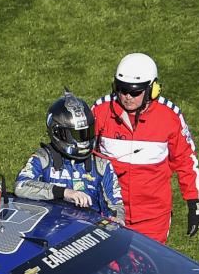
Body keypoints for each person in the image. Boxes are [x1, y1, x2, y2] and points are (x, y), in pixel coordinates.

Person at [91, 53, 199, 243]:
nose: (127, 97)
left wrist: (195, 203)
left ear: (152, 89)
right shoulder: (100, 111)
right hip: (109, 212)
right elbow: (82, 155)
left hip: (153, 218)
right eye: (122, 89)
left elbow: (185, 160)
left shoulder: (170, 117)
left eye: (135, 92)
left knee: (148, 271)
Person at [15, 90, 125, 223]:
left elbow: (115, 206)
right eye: (76, 135)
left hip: (87, 235)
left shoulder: (101, 165)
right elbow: (21, 186)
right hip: (48, 233)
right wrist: (64, 193)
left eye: (86, 133)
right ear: (57, 133)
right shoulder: (42, 159)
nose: (83, 141)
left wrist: (117, 219)